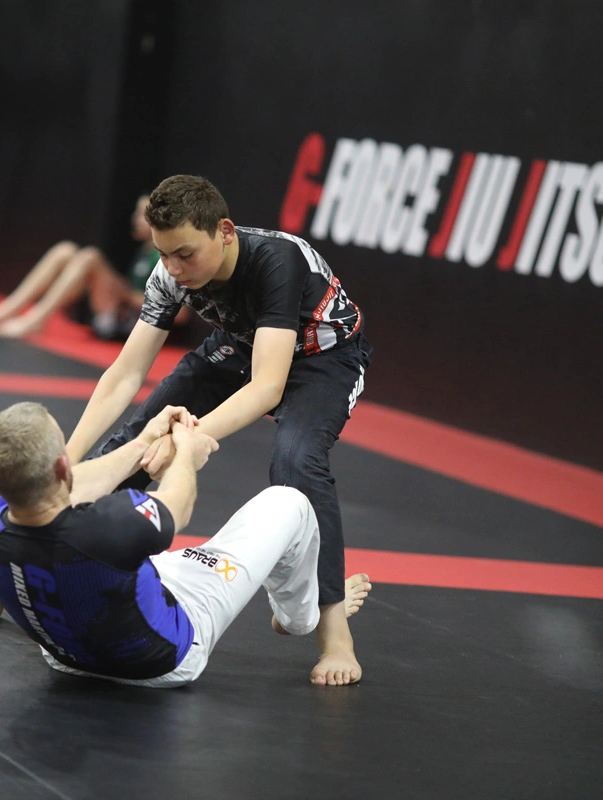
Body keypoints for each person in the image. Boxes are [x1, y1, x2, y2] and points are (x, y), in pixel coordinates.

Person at [61, 175, 374, 686]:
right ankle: (34, 564)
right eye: (163, 255)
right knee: (134, 442)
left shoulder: (276, 260)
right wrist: (67, 464)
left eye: (185, 254)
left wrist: (185, 441)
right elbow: (124, 375)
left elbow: (268, 388)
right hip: (242, 348)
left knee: (296, 461)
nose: (173, 269)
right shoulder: (170, 272)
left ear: (225, 232)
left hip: (324, 359)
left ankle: (335, 634)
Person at [0, 402, 372, 688]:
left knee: (143, 567)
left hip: (66, 657)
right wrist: (186, 454)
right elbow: (178, 504)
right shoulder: (111, 527)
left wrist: (143, 442)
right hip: (162, 659)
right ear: (62, 467)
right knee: (290, 502)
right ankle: (301, 617)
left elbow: (65, 484)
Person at [0, 195, 165, 340]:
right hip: (111, 310)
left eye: (141, 215)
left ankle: (36, 320)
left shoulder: (163, 256)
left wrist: (126, 294)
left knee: (90, 256)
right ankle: (6, 310)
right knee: (64, 250)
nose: (135, 220)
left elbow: (175, 313)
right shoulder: (144, 250)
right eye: (136, 214)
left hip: (128, 325)